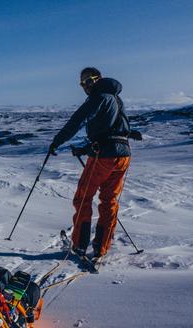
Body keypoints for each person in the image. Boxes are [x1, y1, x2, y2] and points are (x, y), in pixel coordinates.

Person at [49, 67, 131, 261]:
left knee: (83, 198)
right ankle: (102, 247)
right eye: (82, 83)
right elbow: (112, 132)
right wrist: (85, 149)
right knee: (109, 201)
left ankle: (79, 245)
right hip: (123, 156)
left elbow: (77, 120)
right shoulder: (115, 99)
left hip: (104, 157)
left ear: (98, 79)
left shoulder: (99, 97)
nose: (85, 86)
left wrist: (57, 141)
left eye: (88, 81)